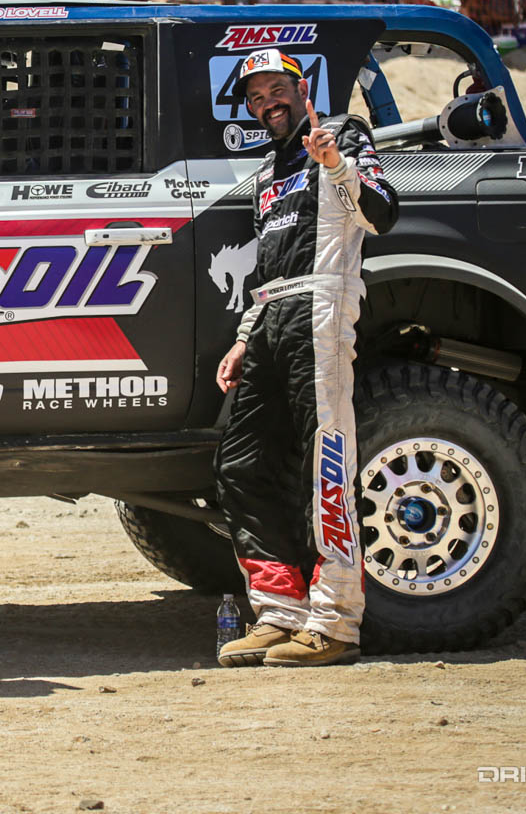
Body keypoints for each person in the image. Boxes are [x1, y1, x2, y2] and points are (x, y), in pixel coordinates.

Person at [213, 48, 398, 668]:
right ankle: (280, 612)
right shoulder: (267, 172)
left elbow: (381, 214)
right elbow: (266, 268)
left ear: (301, 90)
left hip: (321, 305)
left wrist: (336, 164)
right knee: (240, 462)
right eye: (256, 97)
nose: (267, 103)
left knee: (326, 460)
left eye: (276, 90)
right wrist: (245, 336)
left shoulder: (341, 134)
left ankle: (336, 622)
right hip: (272, 315)